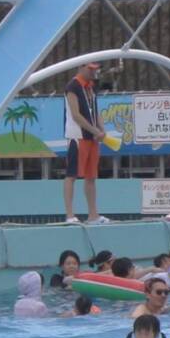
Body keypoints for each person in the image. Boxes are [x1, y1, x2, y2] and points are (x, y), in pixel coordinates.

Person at [62, 61, 107, 224]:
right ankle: (70, 215)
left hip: (92, 138)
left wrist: (102, 129)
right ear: (80, 67)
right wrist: (95, 131)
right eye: (90, 69)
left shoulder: (91, 86)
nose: (93, 72)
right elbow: (76, 115)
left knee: (91, 177)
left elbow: (96, 110)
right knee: (72, 175)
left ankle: (93, 215)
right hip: (78, 136)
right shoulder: (73, 86)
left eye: (95, 69)